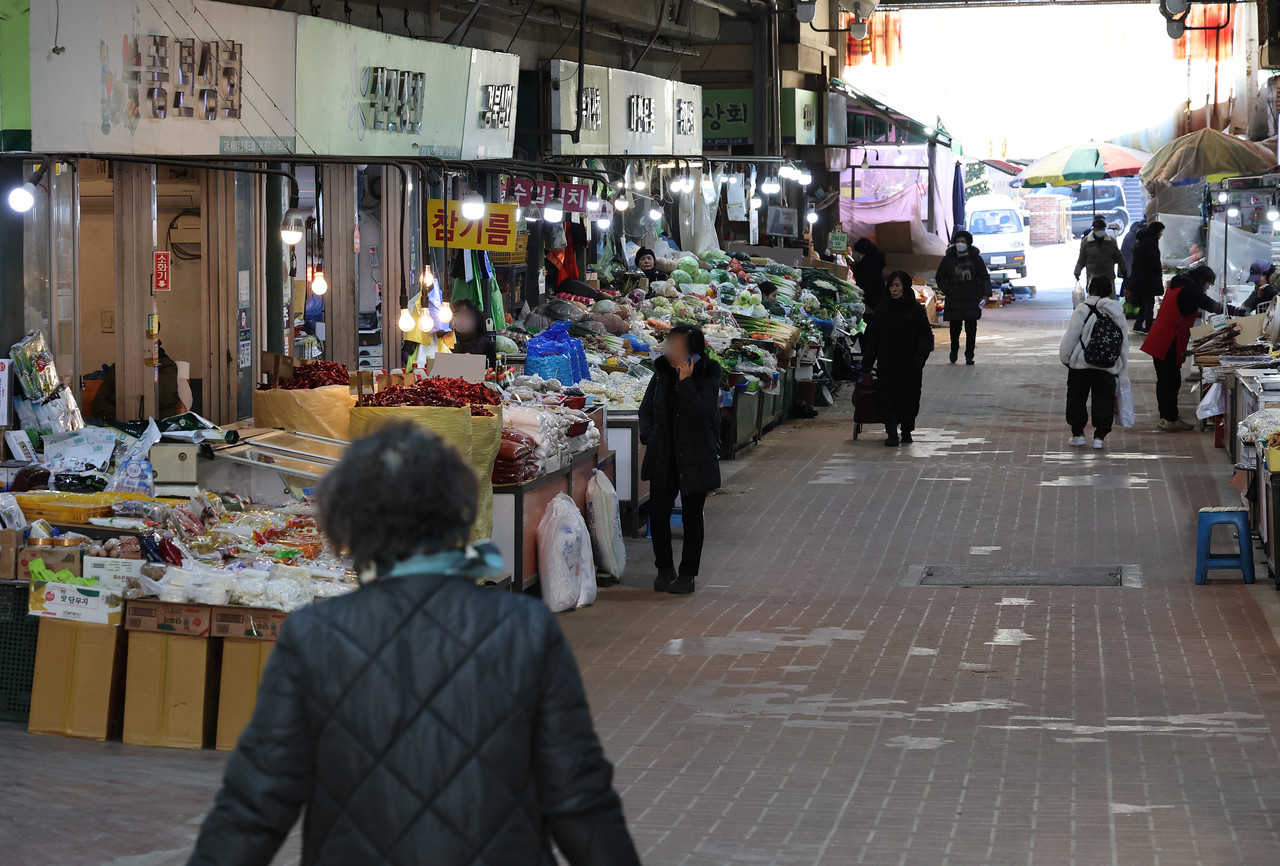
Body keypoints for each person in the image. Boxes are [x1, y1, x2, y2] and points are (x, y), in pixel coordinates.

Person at [187, 424, 640, 866]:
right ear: (458, 516)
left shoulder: (313, 637)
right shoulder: (526, 630)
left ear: (350, 525)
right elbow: (579, 798)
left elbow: (255, 805)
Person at [638, 325, 721, 595]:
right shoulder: (662, 370)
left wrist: (686, 384)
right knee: (658, 514)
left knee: (692, 517)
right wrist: (650, 434)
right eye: (669, 344)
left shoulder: (708, 372)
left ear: (692, 352)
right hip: (664, 454)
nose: (669, 350)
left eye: (676, 346)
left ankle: (687, 575)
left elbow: (704, 413)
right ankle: (664, 569)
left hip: (695, 456)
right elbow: (646, 409)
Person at [1141, 264, 1235, 431]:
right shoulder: (1191, 290)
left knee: (1163, 379)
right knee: (1171, 380)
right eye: (1208, 284)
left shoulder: (1179, 283)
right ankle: (1171, 418)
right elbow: (1213, 306)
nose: (1207, 288)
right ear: (1202, 280)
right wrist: (1241, 312)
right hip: (1169, 340)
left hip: (1158, 336)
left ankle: (1164, 416)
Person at [861, 270, 934, 447]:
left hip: (911, 365)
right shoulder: (881, 310)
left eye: (898, 285)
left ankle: (907, 430)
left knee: (910, 398)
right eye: (892, 286)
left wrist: (921, 355)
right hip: (887, 363)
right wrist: (867, 365)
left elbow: (926, 336)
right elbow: (873, 339)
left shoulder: (916, 310)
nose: (894, 289)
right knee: (888, 398)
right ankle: (892, 433)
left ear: (905, 287)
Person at [1059, 277, 1129, 450]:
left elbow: (1072, 335)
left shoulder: (1082, 309)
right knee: (1104, 398)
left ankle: (1078, 434)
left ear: (1092, 290)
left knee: (1076, 397)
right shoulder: (1117, 311)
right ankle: (1099, 437)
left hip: (1081, 364)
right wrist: (1122, 367)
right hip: (1107, 365)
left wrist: (1065, 357)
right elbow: (1123, 342)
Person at [936, 229, 990, 365]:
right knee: (955, 329)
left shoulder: (976, 258)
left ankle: (969, 355)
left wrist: (986, 294)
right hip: (954, 299)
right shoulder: (948, 259)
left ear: (968, 243)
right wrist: (947, 290)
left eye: (963, 242)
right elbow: (940, 277)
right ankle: (954, 350)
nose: (960, 244)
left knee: (971, 329)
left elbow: (984, 277)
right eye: (958, 241)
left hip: (972, 297)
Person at [1126, 221, 1166, 334]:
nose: (1161, 235)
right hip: (1147, 279)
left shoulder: (1141, 242)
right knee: (1149, 303)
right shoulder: (1151, 244)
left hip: (1140, 278)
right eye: (1160, 232)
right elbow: (1153, 262)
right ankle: (1148, 326)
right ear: (1156, 232)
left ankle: (1138, 325)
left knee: (1144, 303)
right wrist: (1159, 271)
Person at [1075, 217, 1128, 292]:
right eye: (1098, 229)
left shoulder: (1110, 241)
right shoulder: (1086, 242)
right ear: (1093, 229)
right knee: (1094, 300)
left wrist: (1124, 271)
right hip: (1092, 277)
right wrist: (1077, 272)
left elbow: (1119, 257)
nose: (1100, 231)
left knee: (1110, 300)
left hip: (1108, 277)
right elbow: (1081, 259)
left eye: (1102, 229)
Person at [445, 298, 495, 363]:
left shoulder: (486, 346)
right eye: (458, 316)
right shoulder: (445, 343)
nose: (463, 321)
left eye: (467, 317)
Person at [850, 237, 888, 311]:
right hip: (876, 301)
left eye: (857, 252)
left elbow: (866, 286)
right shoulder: (873, 262)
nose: (856, 254)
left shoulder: (869, 266)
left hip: (872, 303)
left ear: (862, 252)